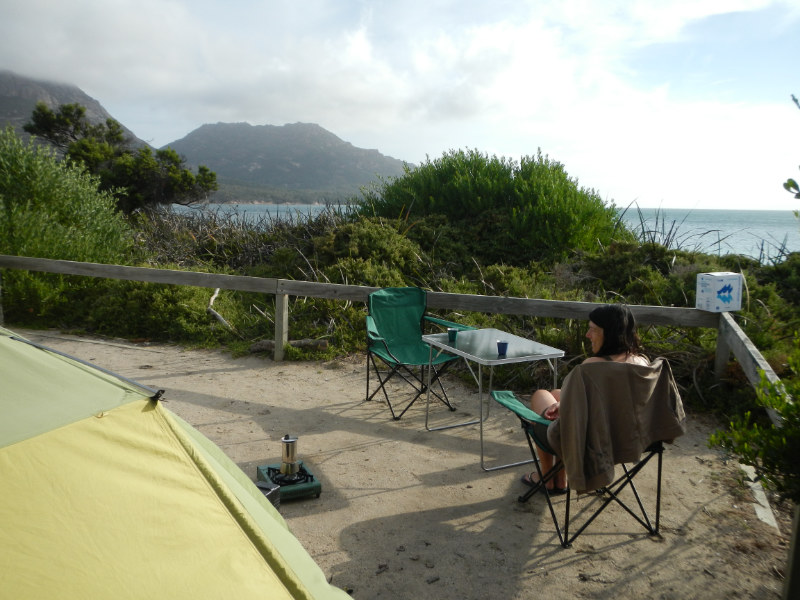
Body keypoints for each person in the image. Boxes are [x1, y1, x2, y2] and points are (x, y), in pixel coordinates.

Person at [522, 303, 649, 493]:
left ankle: (547, 477)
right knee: (557, 394)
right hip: (627, 438)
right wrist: (562, 403)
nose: (587, 335)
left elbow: (576, 415)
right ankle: (561, 477)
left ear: (610, 333)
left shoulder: (591, 368)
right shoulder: (643, 363)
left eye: (593, 330)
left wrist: (563, 406)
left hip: (588, 441)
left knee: (541, 395)